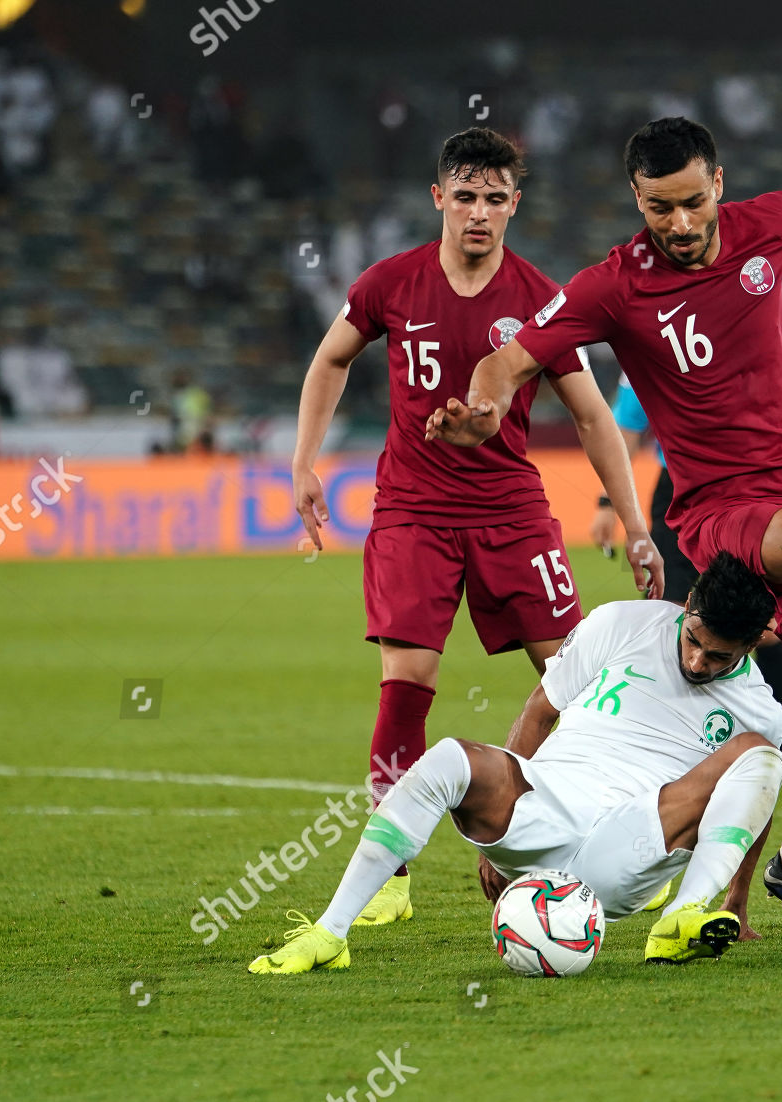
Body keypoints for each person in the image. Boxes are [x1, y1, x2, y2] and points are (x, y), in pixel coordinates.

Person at [426, 117, 782, 941]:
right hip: (716, 512)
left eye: (694, 203)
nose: (682, 225)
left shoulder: (765, 226)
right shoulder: (612, 285)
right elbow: (508, 358)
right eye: (661, 208)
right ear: (638, 198)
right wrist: (481, 408)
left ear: (719, 185)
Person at [290, 128, 660, 930]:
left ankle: (609, 839)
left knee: (582, 686)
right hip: (413, 514)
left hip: (511, 516)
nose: (480, 213)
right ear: (438, 200)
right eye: (466, 196)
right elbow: (329, 361)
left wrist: (634, 523)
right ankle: (391, 869)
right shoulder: (392, 283)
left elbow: (593, 415)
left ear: (515, 205)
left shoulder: (540, 299)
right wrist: (305, 462)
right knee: (407, 684)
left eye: (496, 198)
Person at [249, 553, 782, 973]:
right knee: (449, 758)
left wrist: (737, 901)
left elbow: (753, 806)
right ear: (689, 602)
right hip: (546, 807)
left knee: (763, 757)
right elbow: (537, 714)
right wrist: (506, 843)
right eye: (694, 641)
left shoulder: (758, 709)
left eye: (719, 657)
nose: (698, 661)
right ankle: (330, 932)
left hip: (635, 838)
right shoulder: (623, 623)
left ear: (755, 642)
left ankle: (681, 918)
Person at [590, 323, 782, 725]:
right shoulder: (658, 330)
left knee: (765, 628)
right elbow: (624, 425)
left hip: (760, 494)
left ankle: (773, 745)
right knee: (674, 618)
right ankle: (678, 740)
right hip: (681, 494)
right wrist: (606, 502)